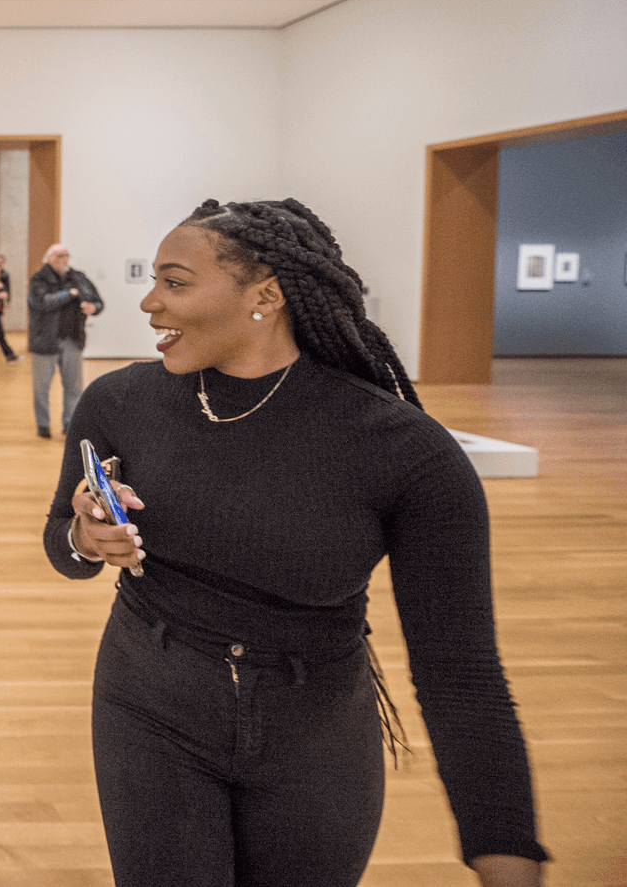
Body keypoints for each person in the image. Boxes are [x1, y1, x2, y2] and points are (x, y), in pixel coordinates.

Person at [44, 198, 546, 887]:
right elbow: (61, 549)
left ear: (266, 296)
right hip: (149, 705)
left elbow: (462, 677)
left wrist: (507, 853)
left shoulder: (403, 450)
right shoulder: (120, 402)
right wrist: (84, 535)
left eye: (175, 281)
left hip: (317, 733)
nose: (149, 302)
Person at [27, 243, 104, 439]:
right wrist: (70, 294)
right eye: (59, 256)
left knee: (74, 386)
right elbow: (43, 302)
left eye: (66, 255)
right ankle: (43, 425)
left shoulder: (78, 277)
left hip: (72, 340)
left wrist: (93, 307)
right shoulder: (38, 279)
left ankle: (70, 423)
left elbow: (97, 300)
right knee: (41, 388)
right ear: (48, 258)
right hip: (45, 342)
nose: (63, 259)